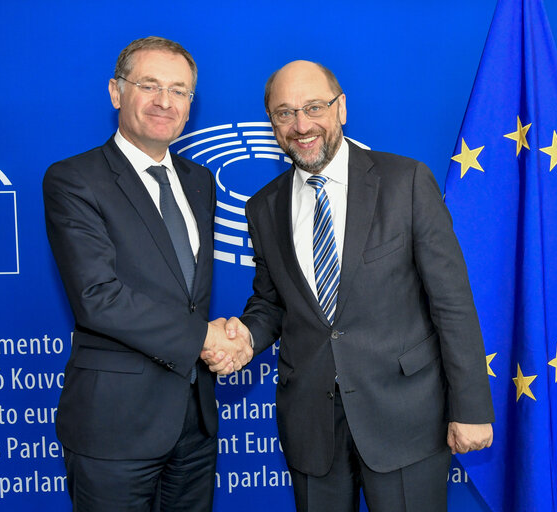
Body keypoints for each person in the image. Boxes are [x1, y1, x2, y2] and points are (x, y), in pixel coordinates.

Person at [204, 60, 494, 511]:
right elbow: (272, 301)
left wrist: (471, 409)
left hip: (405, 419)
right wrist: (245, 338)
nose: (301, 125)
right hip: (311, 425)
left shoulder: (406, 181)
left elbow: (452, 303)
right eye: (284, 113)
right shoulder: (263, 206)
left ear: (341, 109)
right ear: (272, 124)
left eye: (314, 107)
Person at [43, 36, 251, 512]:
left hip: (194, 424)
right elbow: (99, 297)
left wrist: (222, 337)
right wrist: (204, 337)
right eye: (149, 85)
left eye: (179, 90)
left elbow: (186, 294)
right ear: (117, 92)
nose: (165, 101)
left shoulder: (200, 182)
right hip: (114, 426)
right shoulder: (74, 180)